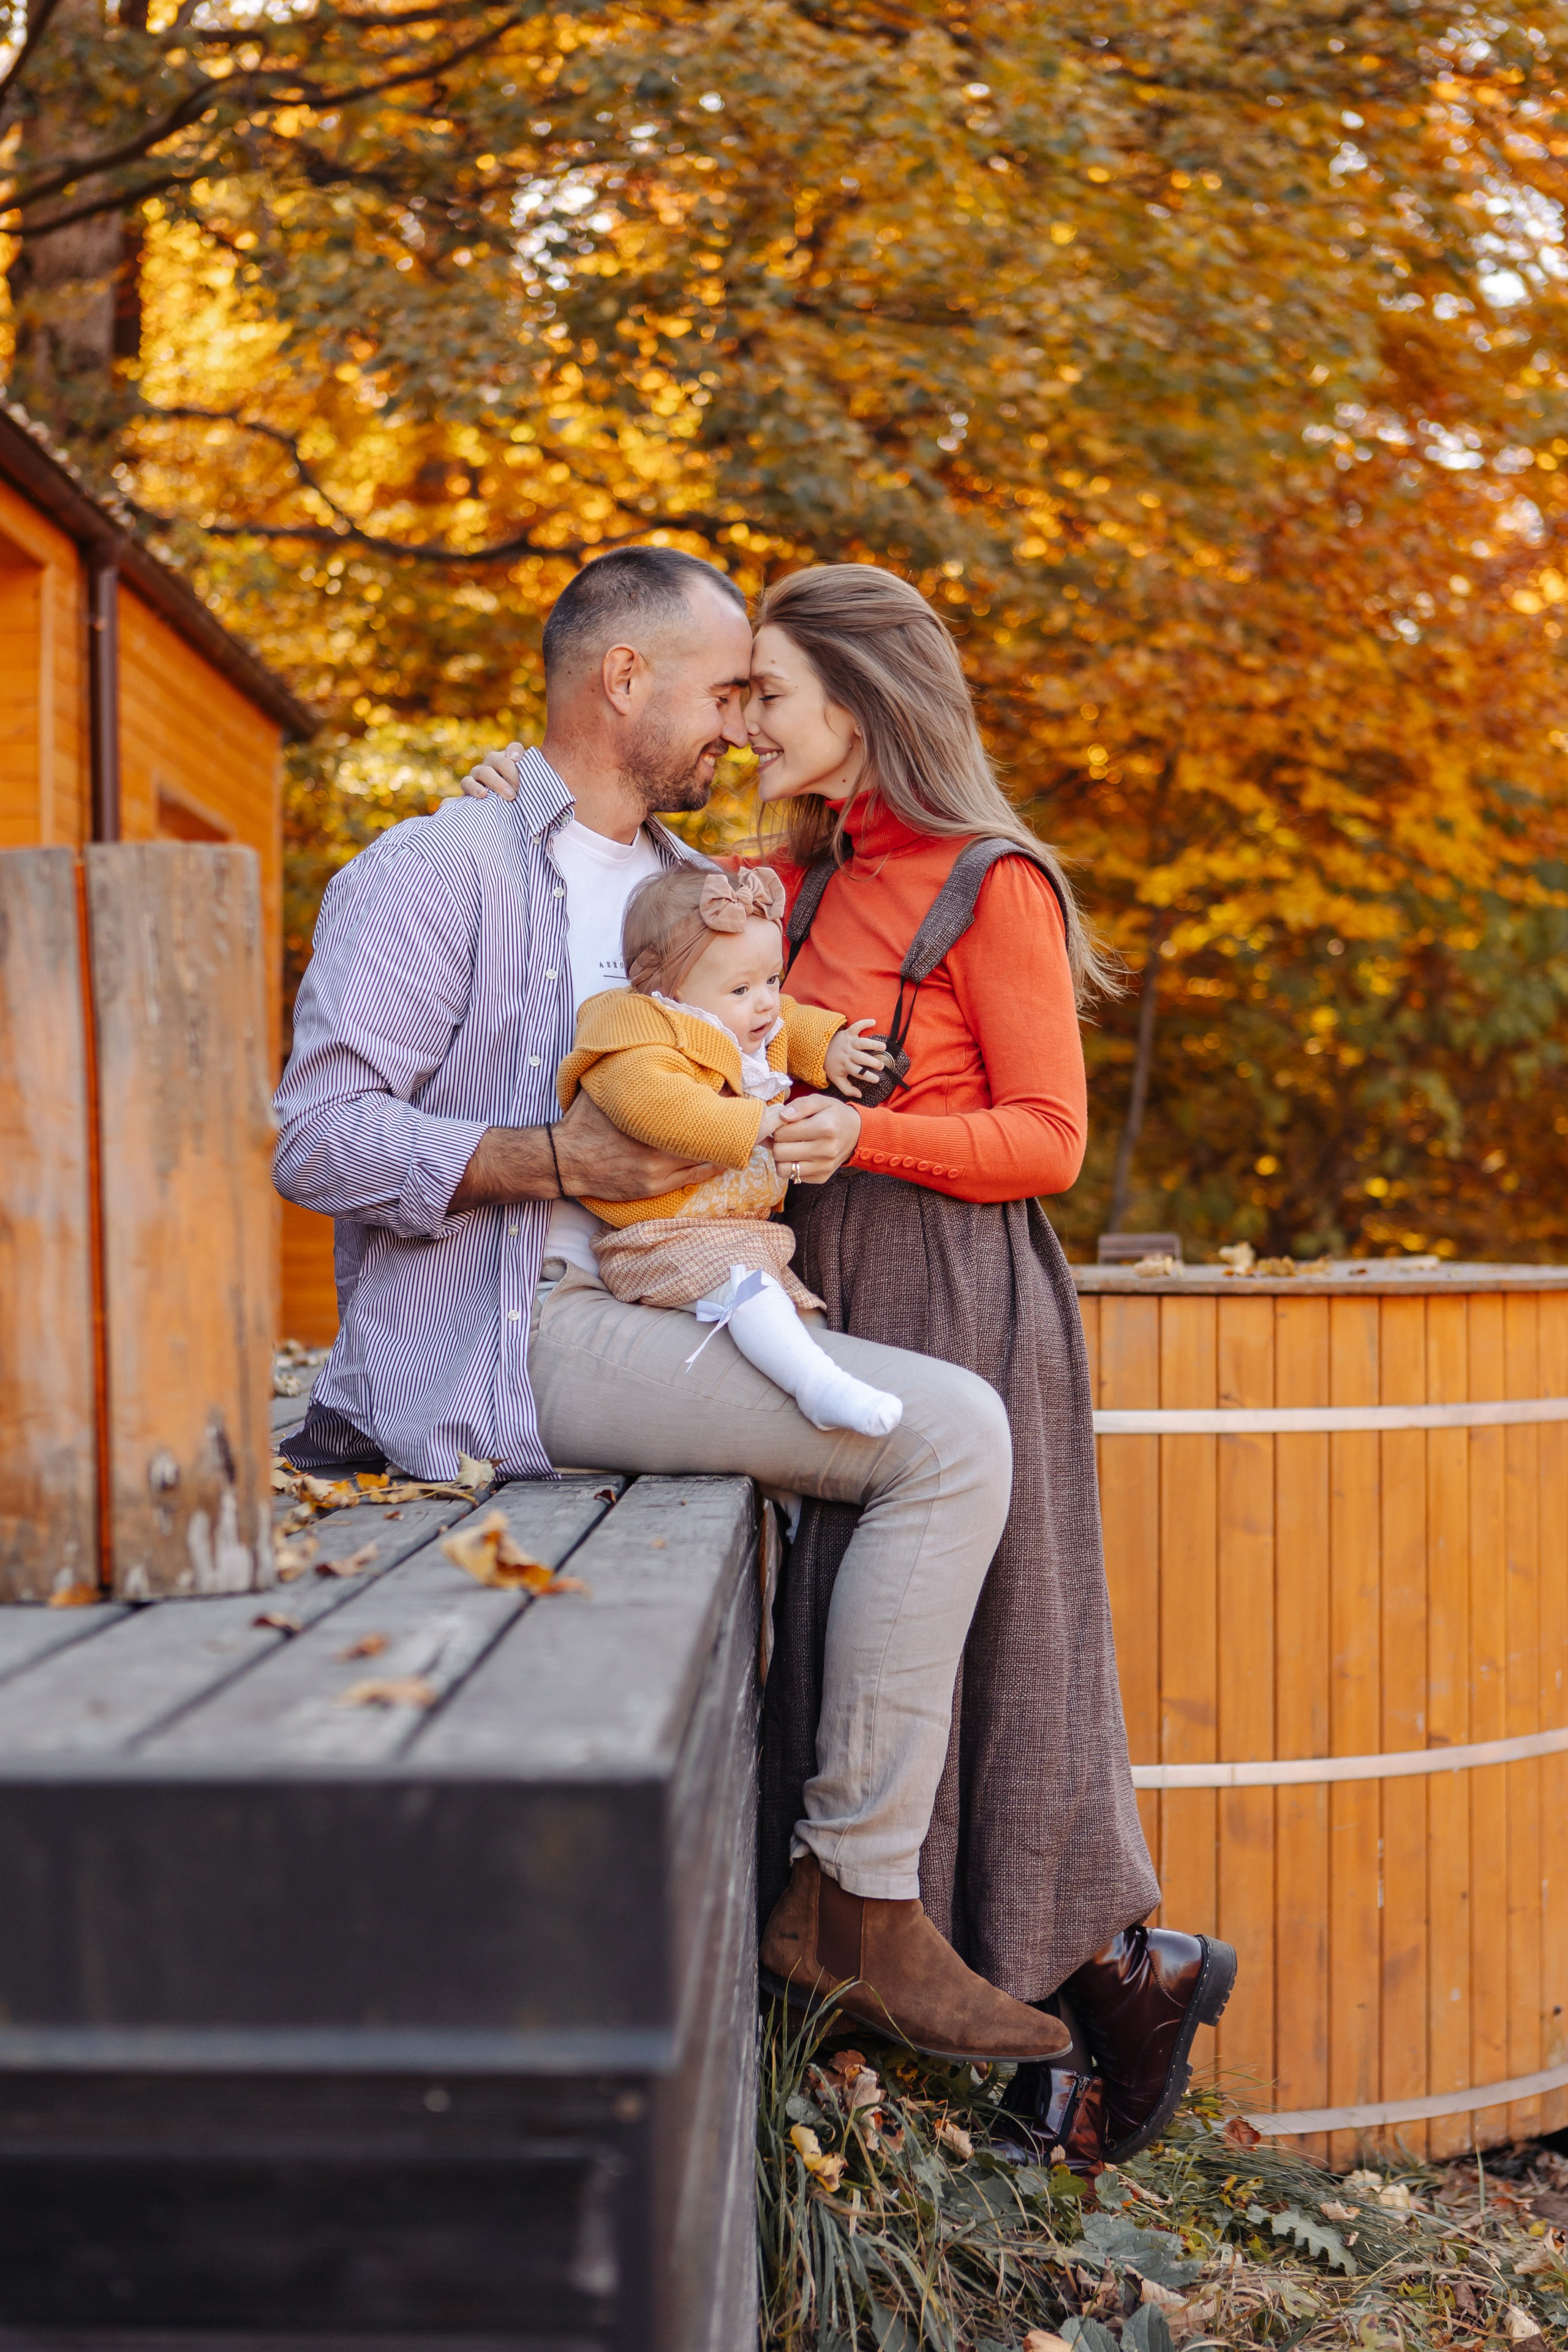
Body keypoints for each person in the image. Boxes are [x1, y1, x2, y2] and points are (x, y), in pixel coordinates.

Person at [457, 559, 1238, 2174]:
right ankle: (985, 2002)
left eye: (771, 697)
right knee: (868, 1651)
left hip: (962, 1287)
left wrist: (865, 1126)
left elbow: (1052, 1140)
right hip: (821, 1278)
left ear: (864, 709)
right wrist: (501, 802)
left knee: (1008, 1669)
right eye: (733, 696)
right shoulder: (789, 874)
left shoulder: (989, 882)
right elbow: (638, 913)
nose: (742, 726)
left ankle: (1120, 1991)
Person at [274, 544, 1072, 2070]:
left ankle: (852, 1896)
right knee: (951, 1435)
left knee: (952, 1435)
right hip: (519, 1332)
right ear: (620, 680)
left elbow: (803, 1044)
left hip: (684, 1298)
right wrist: (543, 1156)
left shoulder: (675, 895)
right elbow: (315, 1137)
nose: (736, 729)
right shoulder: (434, 873)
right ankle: (853, 1907)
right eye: (720, 692)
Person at [557, 861, 902, 1435]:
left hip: (738, 1235)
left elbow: (792, 1021)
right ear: (666, 988)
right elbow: (661, 1107)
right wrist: (759, 1123)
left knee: (800, 1318)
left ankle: (808, 1438)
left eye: (772, 978)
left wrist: (831, 1047)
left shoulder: (750, 1021)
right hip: (658, 1236)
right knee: (757, 1299)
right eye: (742, 988)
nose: (765, 1002)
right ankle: (818, 1391)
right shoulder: (633, 1034)